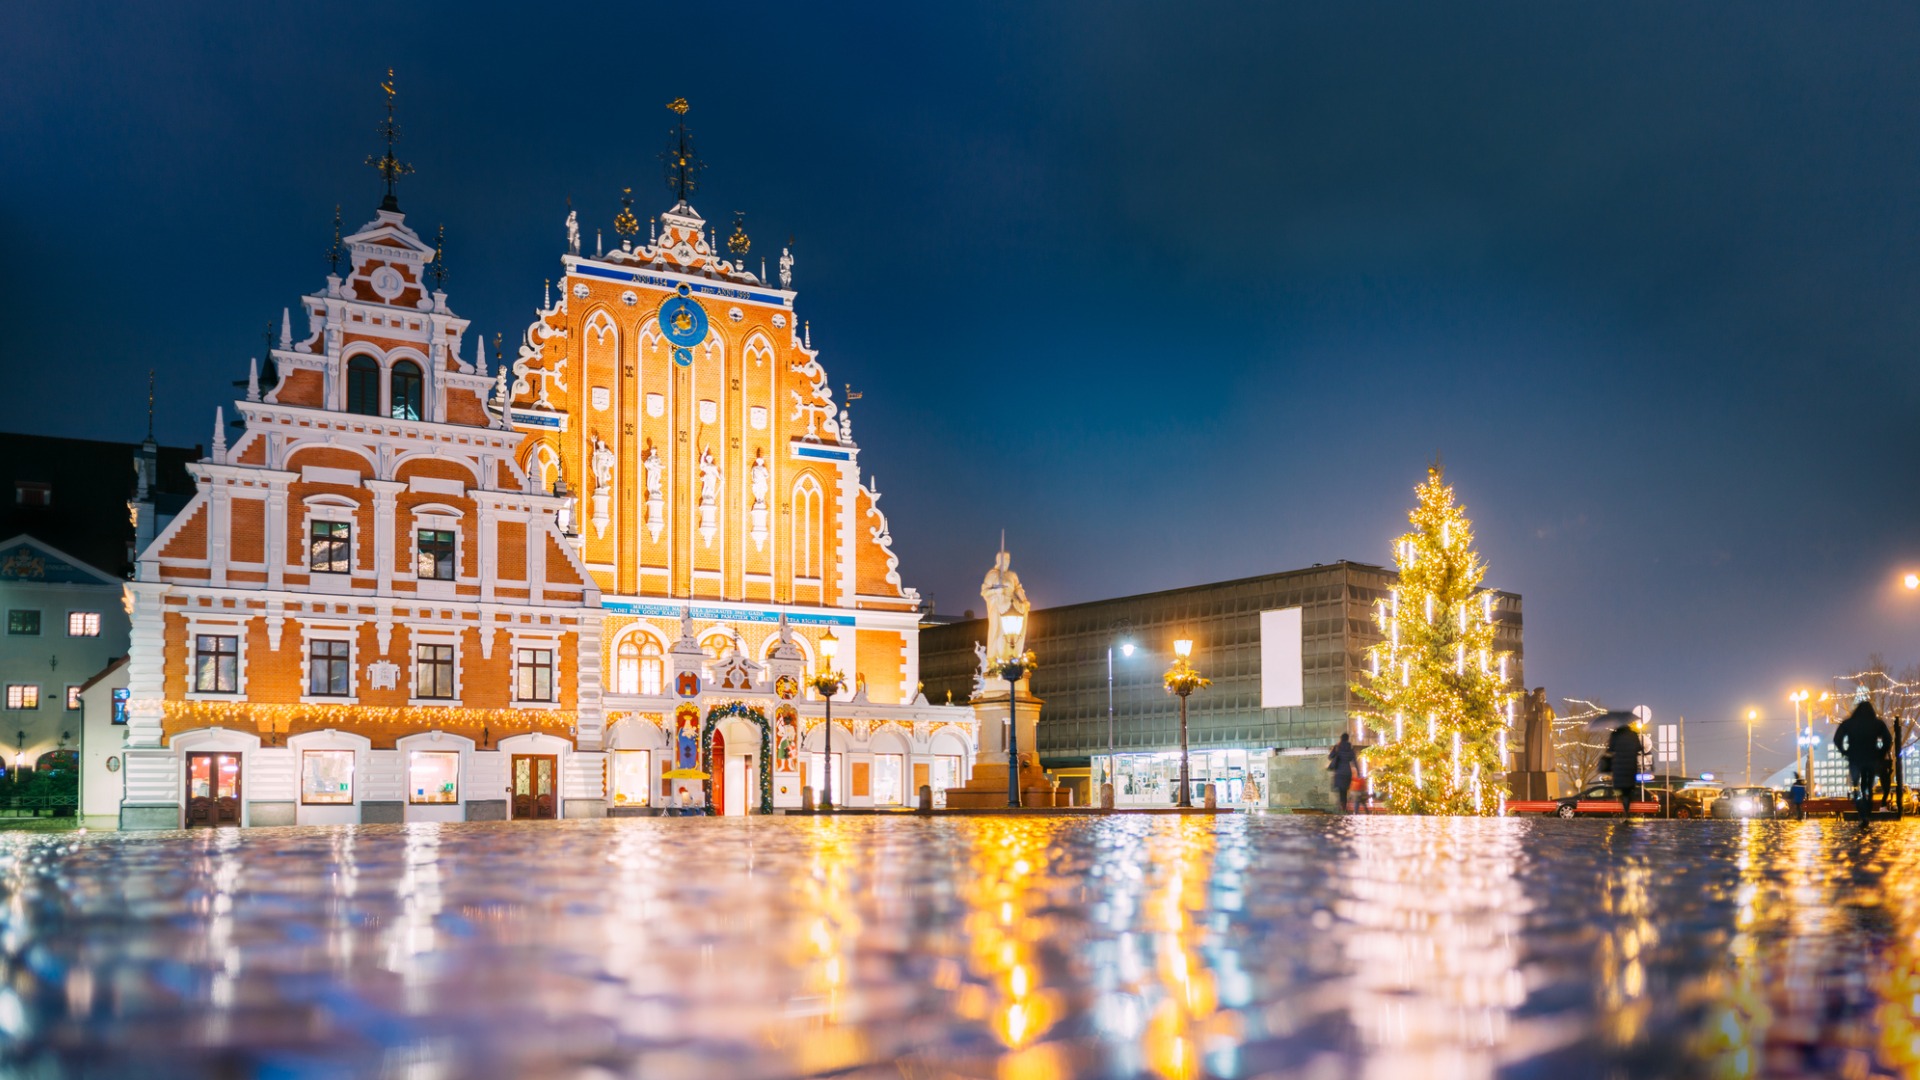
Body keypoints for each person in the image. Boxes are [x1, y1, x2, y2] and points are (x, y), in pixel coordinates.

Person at [1834, 701, 1892, 821]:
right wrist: (1881, 752)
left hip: (1855, 757)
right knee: (1868, 783)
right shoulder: (1877, 723)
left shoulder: (1849, 723)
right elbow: (1888, 739)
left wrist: (1844, 751)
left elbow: (1837, 738)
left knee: (1856, 783)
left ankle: (1859, 803)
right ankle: (1867, 805)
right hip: (1871, 757)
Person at [1608, 722, 1645, 816]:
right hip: (1630, 766)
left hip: (1618, 767)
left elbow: (1610, 749)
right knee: (1628, 789)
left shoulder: (1615, 735)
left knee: (1622, 789)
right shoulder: (1633, 735)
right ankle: (1627, 807)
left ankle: (1625, 807)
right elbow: (1639, 748)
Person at [1328, 732, 1358, 814]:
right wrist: (1358, 772)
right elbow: (1354, 761)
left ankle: (1342, 808)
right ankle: (1343, 807)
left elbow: (1330, 757)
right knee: (1344, 791)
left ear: (1341, 738)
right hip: (1347, 772)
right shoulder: (1350, 748)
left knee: (1341, 791)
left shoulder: (1337, 747)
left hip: (1339, 772)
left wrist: (1335, 750)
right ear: (1348, 739)